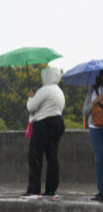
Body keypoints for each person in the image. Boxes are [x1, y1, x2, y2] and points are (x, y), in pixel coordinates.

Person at [21, 67, 65, 200]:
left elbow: (31, 107)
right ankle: (51, 190)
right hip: (58, 122)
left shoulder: (45, 90)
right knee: (52, 157)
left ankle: (34, 190)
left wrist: (30, 98)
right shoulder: (59, 91)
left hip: (44, 123)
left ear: (47, 77)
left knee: (35, 156)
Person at [82, 70, 103, 201]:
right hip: (95, 128)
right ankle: (101, 191)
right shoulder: (92, 91)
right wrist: (96, 101)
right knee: (99, 159)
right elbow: (84, 111)